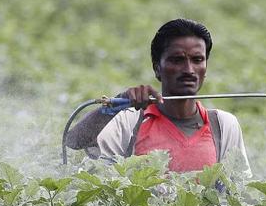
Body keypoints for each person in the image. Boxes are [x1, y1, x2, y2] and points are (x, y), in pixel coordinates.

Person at [65, 18, 250, 173]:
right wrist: (115, 104)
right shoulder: (130, 121)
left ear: (206, 67)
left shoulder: (223, 125)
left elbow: (238, 195)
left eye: (197, 60)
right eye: (177, 60)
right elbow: (74, 142)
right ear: (157, 68)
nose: (189, 70)